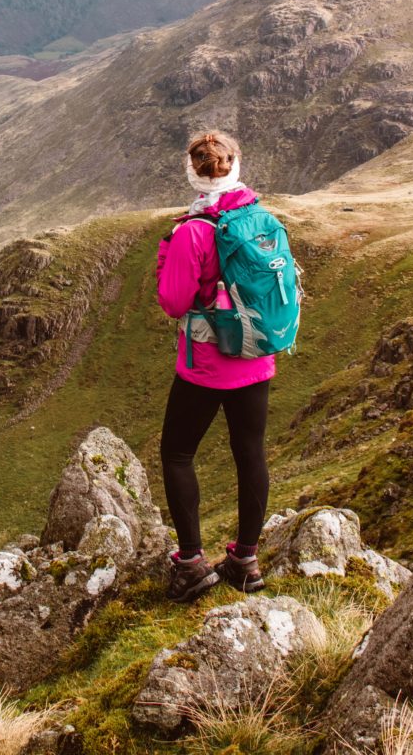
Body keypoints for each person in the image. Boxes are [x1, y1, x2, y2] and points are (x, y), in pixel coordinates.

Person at [155, 129, 275, 602]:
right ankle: (246, 560)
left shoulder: (194, 230)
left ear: (191, 171)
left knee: (178, 453)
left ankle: (191, 565)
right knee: (251, 454)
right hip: (256, 357)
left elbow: (173, 301)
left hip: (206, 364)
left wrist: (169, 256)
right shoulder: (260, 218)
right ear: (237, 165)